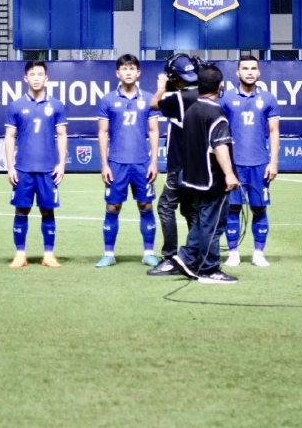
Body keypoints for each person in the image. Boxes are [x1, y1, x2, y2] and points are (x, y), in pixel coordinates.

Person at [173, 64, 242, 284]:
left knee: (204, 221)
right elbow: (220, 145)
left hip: (195, 177)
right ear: (221, 86)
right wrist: (229, 174)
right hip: (213, 179)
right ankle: (209, 269)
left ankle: (186, 256)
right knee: (213, 224)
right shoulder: (216, 112)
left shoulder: (192, 109)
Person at [95, 54, 160, 267]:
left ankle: (149, 253)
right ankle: (108, 254)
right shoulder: (107, 100)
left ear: (138, 73)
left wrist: (154, 162)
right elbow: (103, 133)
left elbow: (153, 131)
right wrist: (104, 164)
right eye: (124, 68)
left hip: (142, 163)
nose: (129, 72)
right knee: (112, 207)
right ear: (118, 73)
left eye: (132, 68)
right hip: (116, 163)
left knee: (146, 205)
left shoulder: (149, 99)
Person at [4, 60, 67, 267]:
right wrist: (10, 166)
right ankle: (20, 254)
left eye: (40, 74)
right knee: (21, 210)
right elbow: (10, 136)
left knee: (48, 210)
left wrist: (61, 165)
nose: (37, 78)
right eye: (33, 74)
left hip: (48, 169)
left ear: (46, 78)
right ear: (26, 78)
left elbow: (62, 135)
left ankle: (48, 255)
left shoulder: (56, 105)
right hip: (23, 169)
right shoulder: (16, 105)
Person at [220, 54, 280, 268]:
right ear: (237, 72)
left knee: (259, 208)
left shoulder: (268, 99)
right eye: (245, 68)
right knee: (233, 209)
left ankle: (258, 253)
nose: (250, 72)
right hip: (234, 165)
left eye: (253, 68)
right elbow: (218, 133)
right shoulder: (226, 99)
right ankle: (234, 252)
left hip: (259, 163)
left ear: (259, 72)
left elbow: (274, 131)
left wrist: (273, 162)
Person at [146, 52, 201, 277]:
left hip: (179, 165)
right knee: (191, 210)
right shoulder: (204, 95)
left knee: (165, 207)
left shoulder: (178, 98)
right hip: (198, 167)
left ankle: (171, 258)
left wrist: (162, 85)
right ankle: (194, 255)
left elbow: (153, 103)